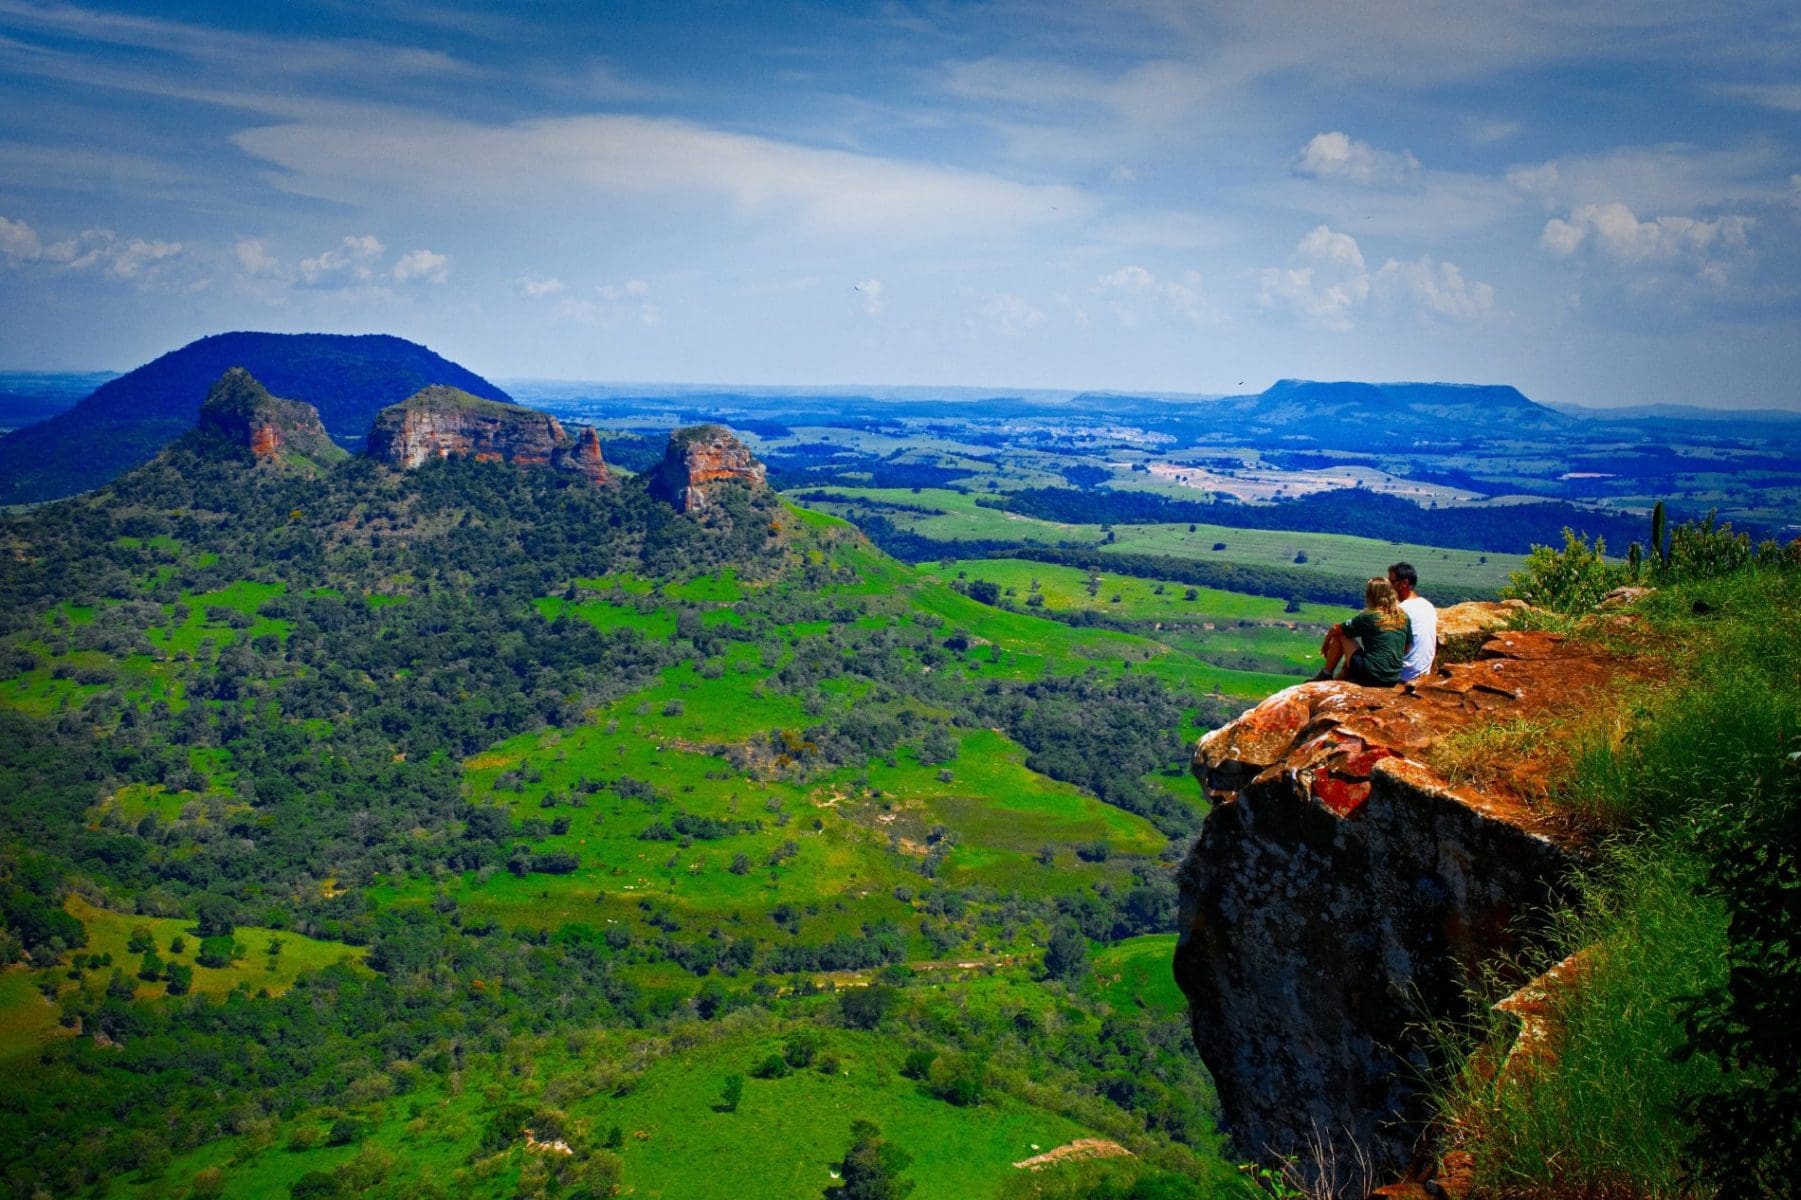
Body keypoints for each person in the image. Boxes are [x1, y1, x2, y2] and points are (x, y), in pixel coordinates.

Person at [1315, 577, 1411, 686]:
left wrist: (1325, 646)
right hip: (1392, 679)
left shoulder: (1369, 616)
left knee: (1341, 635)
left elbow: (1336, 629)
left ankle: (1326, 673)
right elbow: (1407, 647)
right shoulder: (1404, 617)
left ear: (1371, 595)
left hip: (1369, 675)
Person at [1387, 561, 1437, 682]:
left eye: (1391, 582)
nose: (1388, 586)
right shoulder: (1428, 606)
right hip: (1422, 673)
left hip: (1403, 675)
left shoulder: (1401, 610)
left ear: (1404, 583)